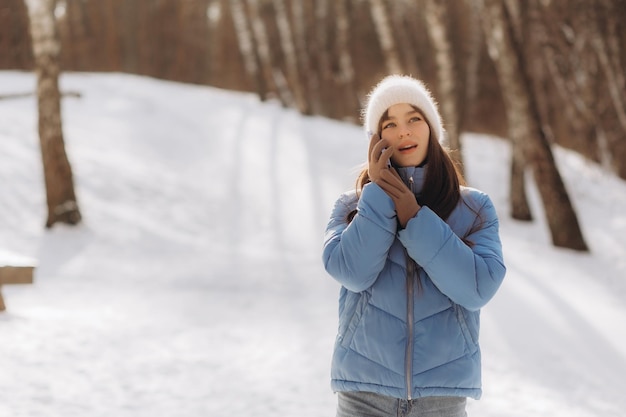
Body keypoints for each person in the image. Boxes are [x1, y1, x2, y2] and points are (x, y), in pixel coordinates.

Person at [322, 75, 506, 417]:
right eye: (389, 123)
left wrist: (413, 215)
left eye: (414, 119)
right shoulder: (351, 207)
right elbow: (354, 273)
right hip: (363, 394)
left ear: (432, 129)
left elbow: (477, 289)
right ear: (376, 139)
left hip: (441, 399)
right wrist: (380, 194)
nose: (403, 131)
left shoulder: (474, 208)